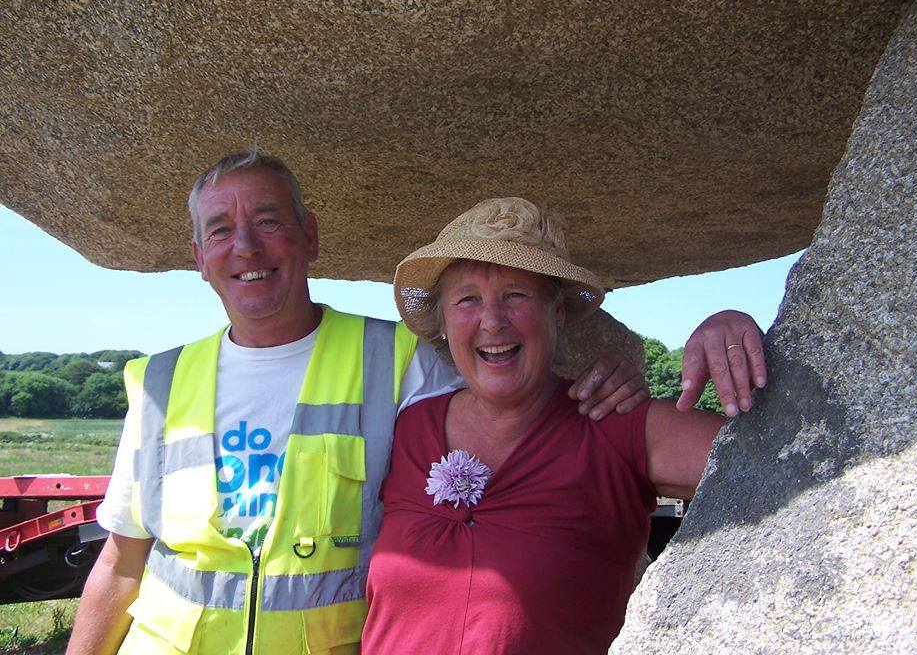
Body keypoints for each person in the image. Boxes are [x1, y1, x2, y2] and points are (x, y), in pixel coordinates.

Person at [65, 152, 745, 655]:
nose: (244, 246)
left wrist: (711, 337)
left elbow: (778, 463)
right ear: (197, 255)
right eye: (468, 301)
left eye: (268, 221)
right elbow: (121, 562)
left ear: (311, 236)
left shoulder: (403, 371)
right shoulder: (160, 382)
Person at [361, 197, 766, 654]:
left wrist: (730, 329)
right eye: (467, 299)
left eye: (515, 295)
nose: (491, 321)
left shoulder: (615, 426)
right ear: (444, 322)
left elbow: (785, 464)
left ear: (557, 313)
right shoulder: (408, 426)